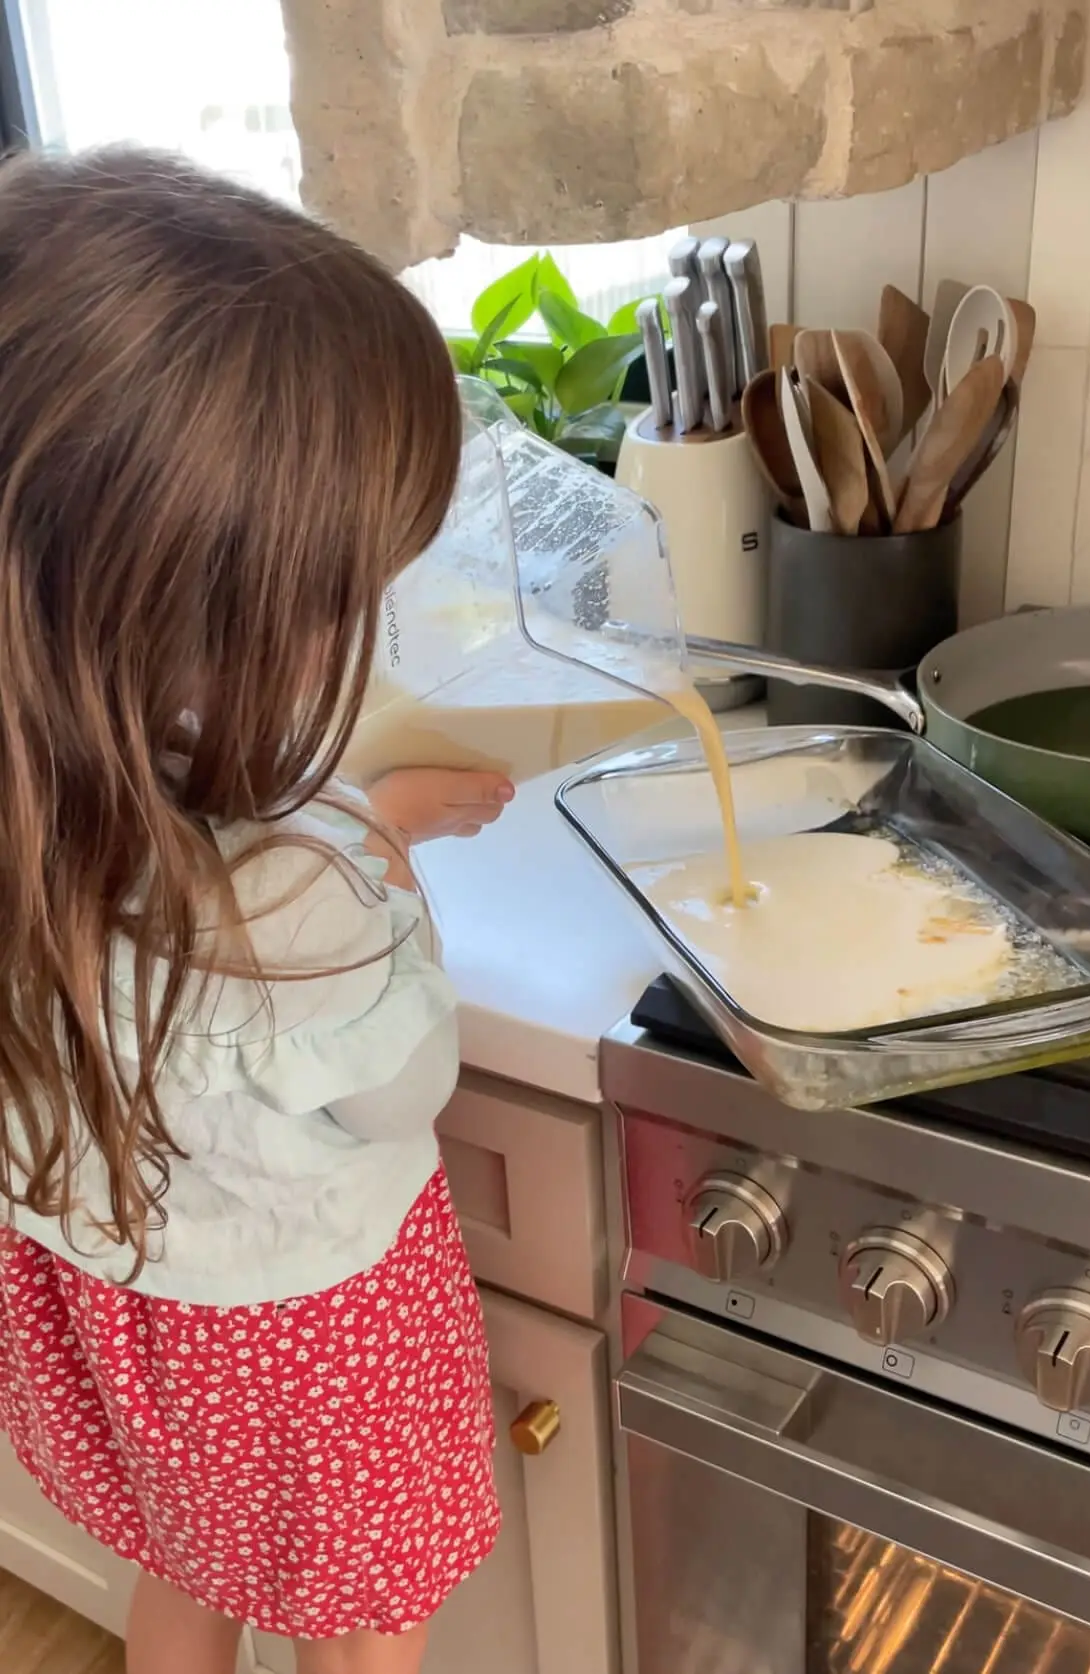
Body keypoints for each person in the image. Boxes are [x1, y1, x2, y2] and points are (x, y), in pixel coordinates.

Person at [0, 146, 515, 1674]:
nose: (356, 632)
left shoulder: (44, 796)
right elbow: (401, 1087)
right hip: (312, 1346)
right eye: (337, 596)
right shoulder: (305, 901)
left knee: (187, 1566)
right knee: (366, 1628)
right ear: (178, 618)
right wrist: (380, 863)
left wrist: (362, 816)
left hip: (129, 1322)